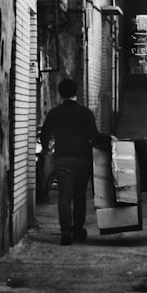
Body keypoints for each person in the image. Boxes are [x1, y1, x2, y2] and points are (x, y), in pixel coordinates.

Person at [40, 77, 113, 245]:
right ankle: (78, 230)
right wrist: (110, 138)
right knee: (80, 196)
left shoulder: (55, 113)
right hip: (82, 160)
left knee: (64, 196)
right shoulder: (85, 113)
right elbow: (94, 137)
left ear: (60, 94)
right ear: (76, 93)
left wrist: (46, 149)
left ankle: (66, 231)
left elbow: (45, 133)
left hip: (63, 159)